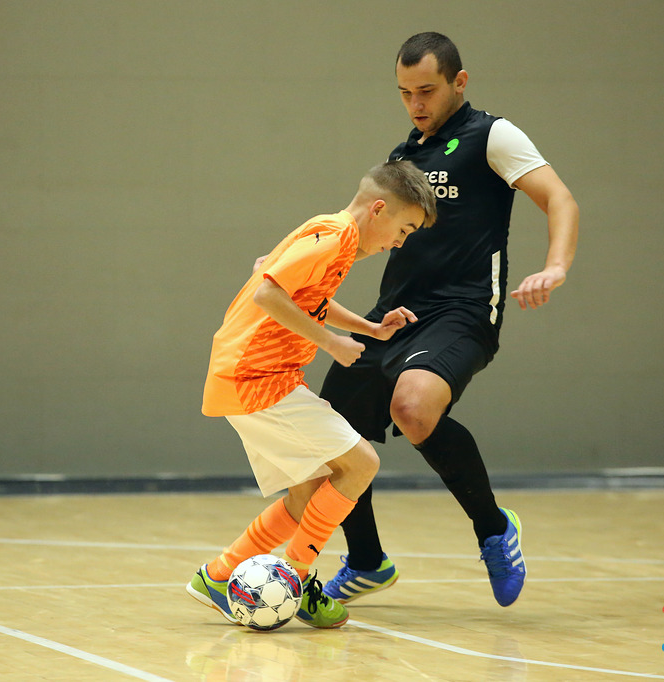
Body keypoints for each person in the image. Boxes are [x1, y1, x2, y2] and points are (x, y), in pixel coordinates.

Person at [319, 32, 579, 608]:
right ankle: (366, 561)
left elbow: (560, 198)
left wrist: (555, 266)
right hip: (394, 313)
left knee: (413, 407)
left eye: (427, 90)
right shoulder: (402, 158)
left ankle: (494, 529)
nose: (416, 103)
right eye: (405, 92)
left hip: (463, 311)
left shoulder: (492, 135)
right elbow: (352, 228)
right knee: (331, 433)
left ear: (459, 83)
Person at [187, 160, 437, 629]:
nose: (400, 243)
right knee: (361, 464)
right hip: (257, 378)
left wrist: (369, 329)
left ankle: (218, 576)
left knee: (308, 493)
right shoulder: (334, 237)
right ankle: (296, 580)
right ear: (378, 210)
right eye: (403, 229)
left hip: (258, 378)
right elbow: (268, 293)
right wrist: (331, 343)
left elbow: (298, 292)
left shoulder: (331, 235)